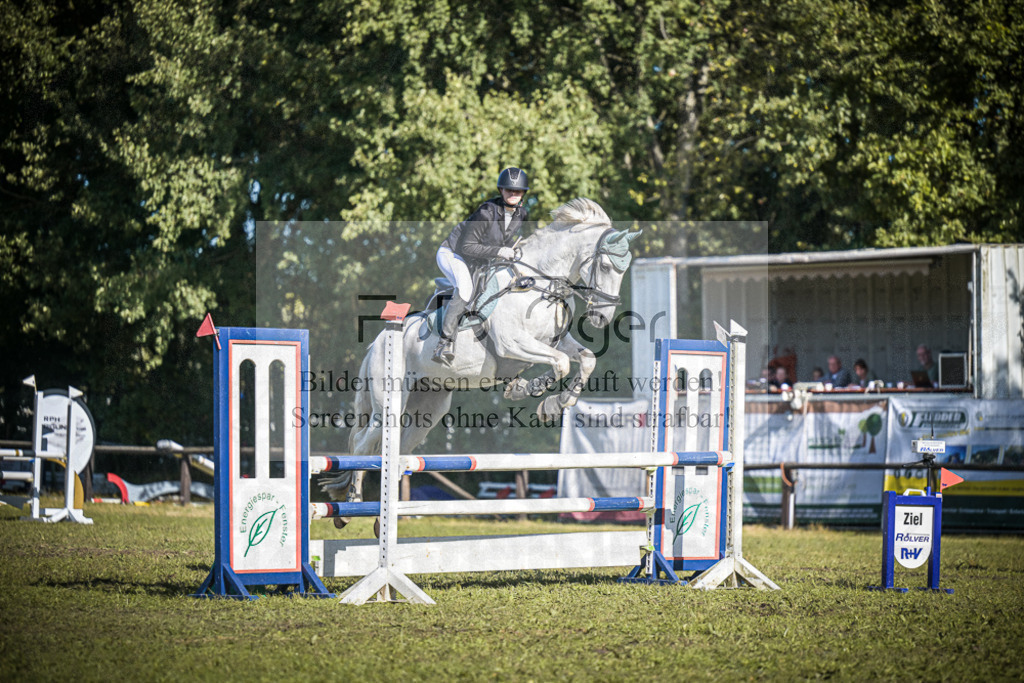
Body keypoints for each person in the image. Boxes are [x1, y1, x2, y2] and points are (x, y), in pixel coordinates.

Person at [432, 167, 530, 365]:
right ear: (501, 190)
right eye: (509, 190)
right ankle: (444, 344)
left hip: (478, 260)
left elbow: (505, 240)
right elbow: (467, 247)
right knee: (466, 290)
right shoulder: (486, 212)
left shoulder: (521, 214)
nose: (513, 193)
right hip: (453, 253)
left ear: (523, 193)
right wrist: (499, 251)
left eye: (518, 191)